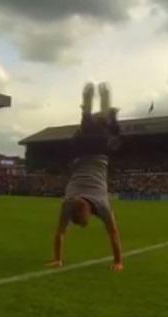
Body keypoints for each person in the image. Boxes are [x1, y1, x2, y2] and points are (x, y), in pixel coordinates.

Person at [46, 82, 124, 272]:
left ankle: (100, 101)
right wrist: (117, 262)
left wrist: (118, 262)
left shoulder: (102, 206)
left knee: (107, 128)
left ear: (87, 211)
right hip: (81, 153)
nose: (84, 224)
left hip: (97, 155)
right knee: (94, 126)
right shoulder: (68, 202)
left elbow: (113, 233)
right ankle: (90, 105)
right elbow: (61, 233)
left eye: (83, 221)